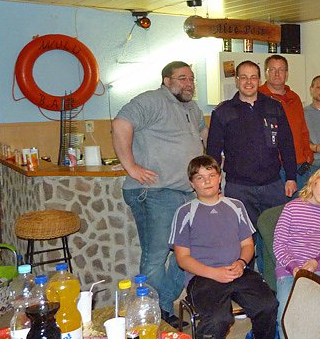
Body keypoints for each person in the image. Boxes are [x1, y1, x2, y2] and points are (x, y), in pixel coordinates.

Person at [112, 61, 207, 323]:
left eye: (191, 79)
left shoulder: (191, 107)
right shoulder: (152, 100)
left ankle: (161, 307)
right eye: (182, 78)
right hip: (155, 192)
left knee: (189, 251)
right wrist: (130, 167)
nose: (189, 83)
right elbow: (120, 124)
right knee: (156, 256)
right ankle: (153, 314)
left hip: (185, 193)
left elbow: (203, 132)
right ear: (166, 80)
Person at [169, 155, 277, 339]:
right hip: (203, 277)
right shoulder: (185, 212)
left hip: (237, 271)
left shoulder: (236, 206)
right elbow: (182, 258)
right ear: (192, 184)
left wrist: (241, 263)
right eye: (200, 177)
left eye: (211, 175)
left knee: (268, 305)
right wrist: (214, 273)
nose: (207, 181)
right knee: (219, 319)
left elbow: (248, 244)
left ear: (219, 178)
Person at [206, 60, 297, 229]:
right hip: (238, 188)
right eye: (244, 77)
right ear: (236, 80)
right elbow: (213, 153)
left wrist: (291, 177)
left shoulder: (274, 107)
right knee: (244, 238)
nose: (249, 82)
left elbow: (286, 144)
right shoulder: (222, 112)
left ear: (259, 80)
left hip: (272, 185)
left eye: (253, 77)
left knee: (276, 235)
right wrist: (214, 185)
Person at [273, 166, 320, 339]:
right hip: (288, 270)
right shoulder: (291, 208)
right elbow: (279, 244)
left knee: (314, 317)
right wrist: (293, 267)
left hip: (316, 270)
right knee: (285, 316)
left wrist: (315, 262)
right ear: (314, 181)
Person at [258, 55, 313, 190]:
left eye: (281, 70)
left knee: (301, 203)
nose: (277, 74)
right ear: (266, 73)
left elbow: (303, 129)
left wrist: (308, 154)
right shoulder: (258, 98)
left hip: (299, 165)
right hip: (273, 167)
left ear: (287, 74)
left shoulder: (294, 98)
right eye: (272, 69)